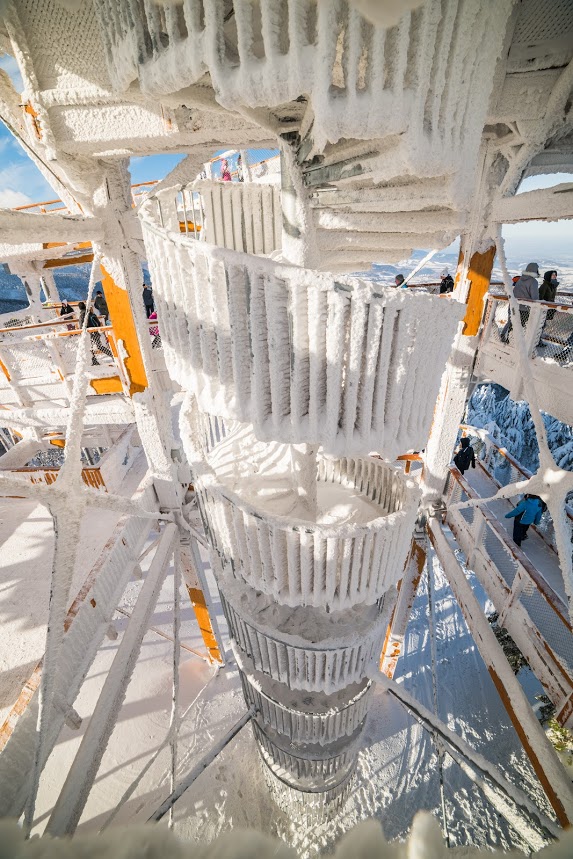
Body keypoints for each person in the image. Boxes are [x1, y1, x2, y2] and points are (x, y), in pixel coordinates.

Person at [500, 262, 539, 343]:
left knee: (511, 321)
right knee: (520, 325)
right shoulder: (533, 282)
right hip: (524, 308)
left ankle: (504, 336)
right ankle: (514, 341)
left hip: (513, 305)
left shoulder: (520, 279)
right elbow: (535, 297)